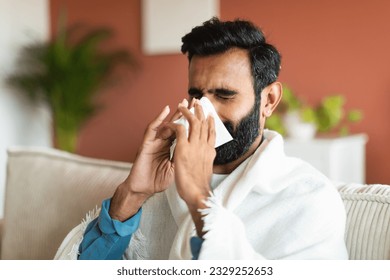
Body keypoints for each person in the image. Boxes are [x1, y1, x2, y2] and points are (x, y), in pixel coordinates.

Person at [55, 17, 348, 260]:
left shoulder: (309, 198)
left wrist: (198, 196)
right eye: (196, 95)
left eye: (224, 95)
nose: (204, 112)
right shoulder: (159, 189)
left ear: (269, 100)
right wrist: (132, 193)